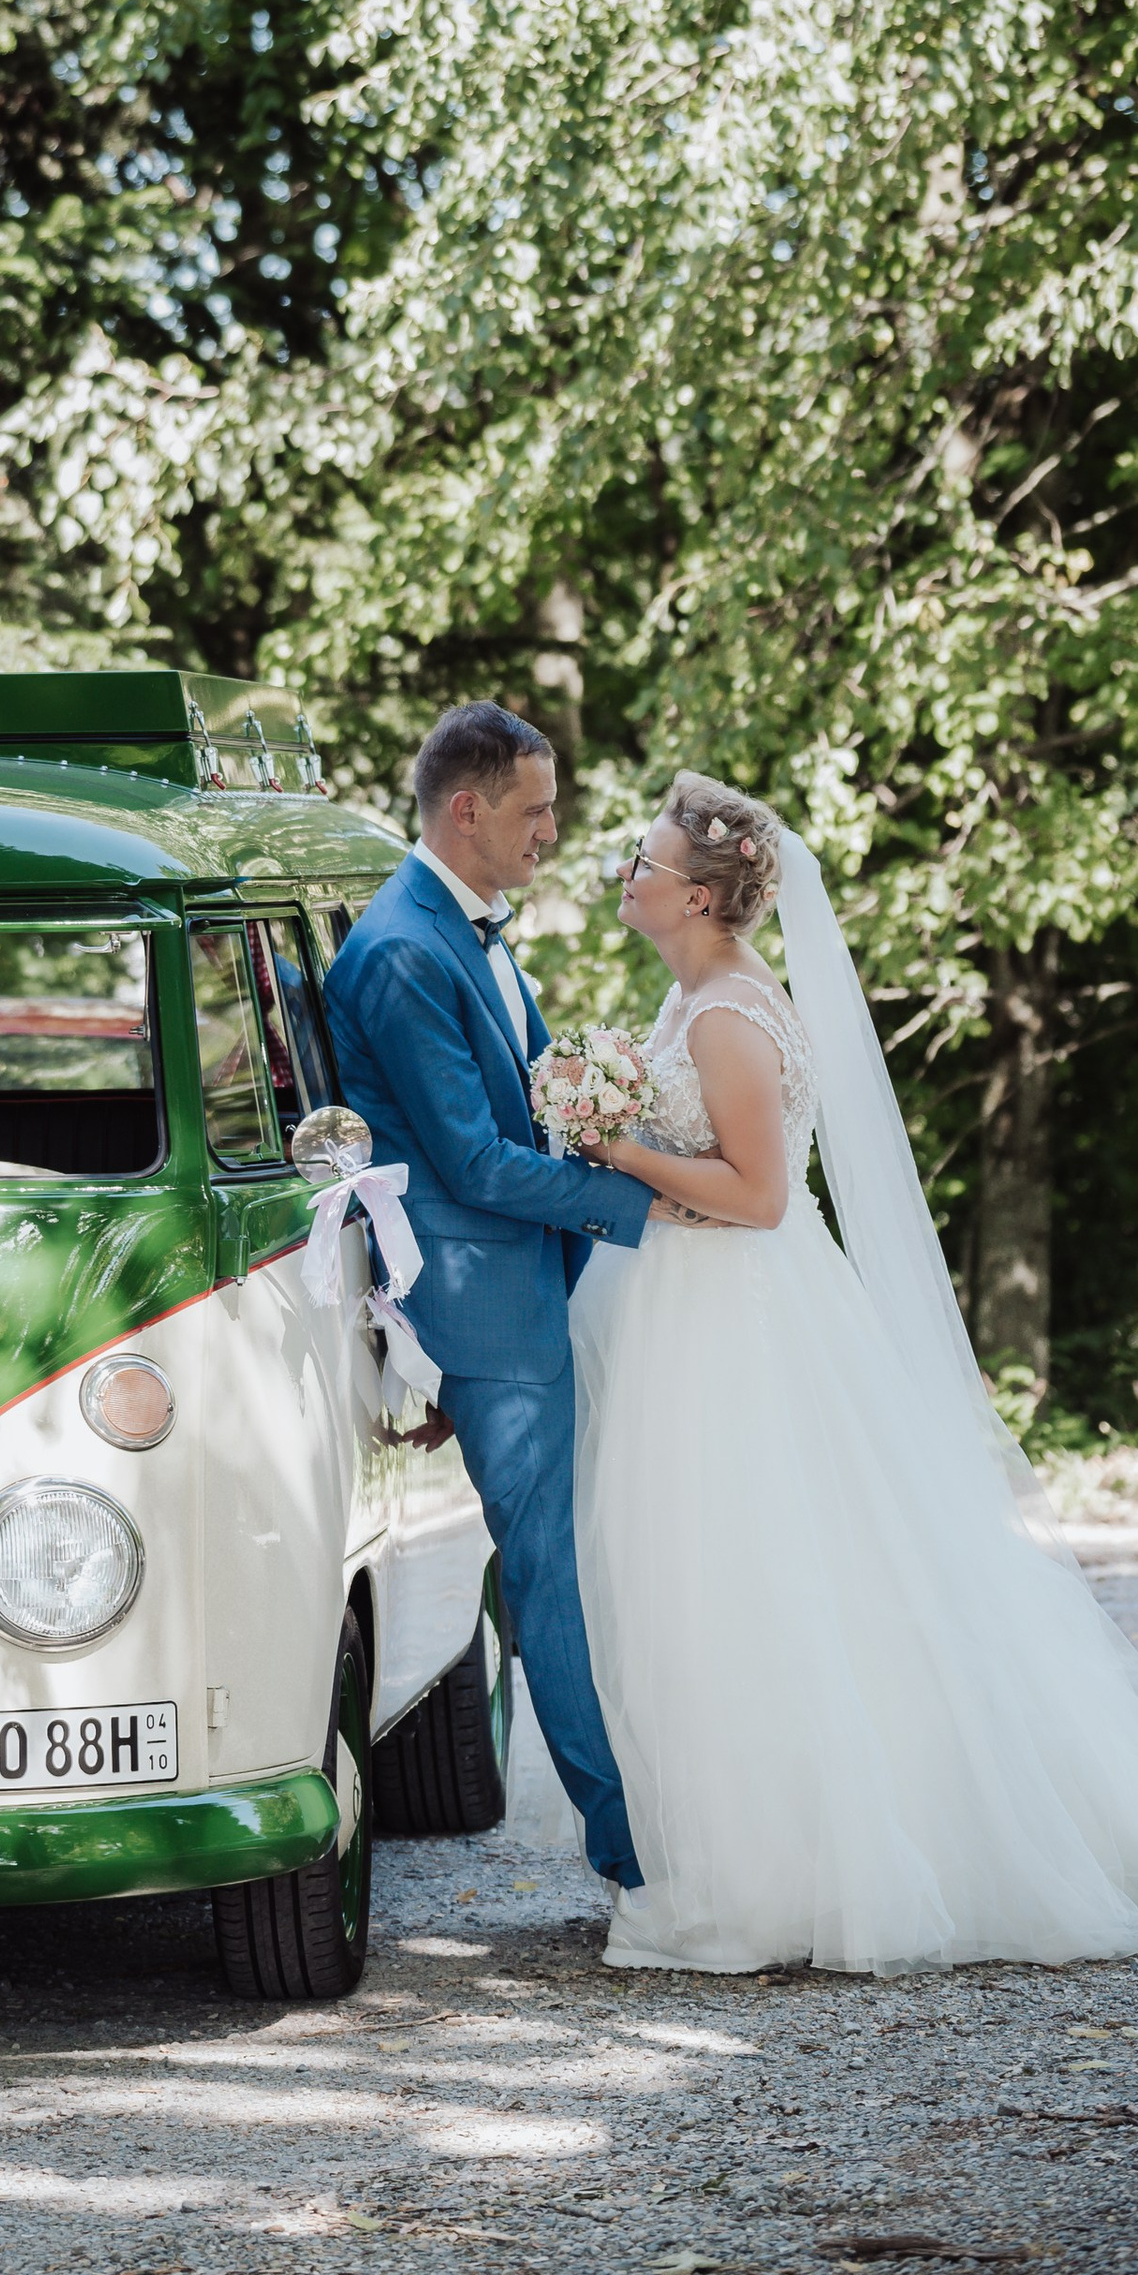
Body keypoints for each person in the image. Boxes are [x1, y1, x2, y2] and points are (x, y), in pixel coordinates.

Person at [559, 769, 1138, 1975]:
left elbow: (757, 1199)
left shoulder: (725, 1018)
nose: (622, 878)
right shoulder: (696, 992)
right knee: (714, 1580)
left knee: (752, 1575)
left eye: (640, 865)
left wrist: (615, 1148)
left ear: (699, 895)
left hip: (737, 1318)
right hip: (694, 1309)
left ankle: (788, 1874)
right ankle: (733, 1849)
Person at [319, 701, 665, 1892]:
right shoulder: (407, 947)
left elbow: (527, 1099)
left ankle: (640, 1829)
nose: (552, 831)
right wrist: (647, 1208)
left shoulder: (465, 928)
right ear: (464, 809)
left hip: (519, 1279)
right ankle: (631, 1855)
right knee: (546, 1573)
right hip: (484, 1300)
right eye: (535, 809)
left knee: (573, 1558)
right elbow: (469, 1163)